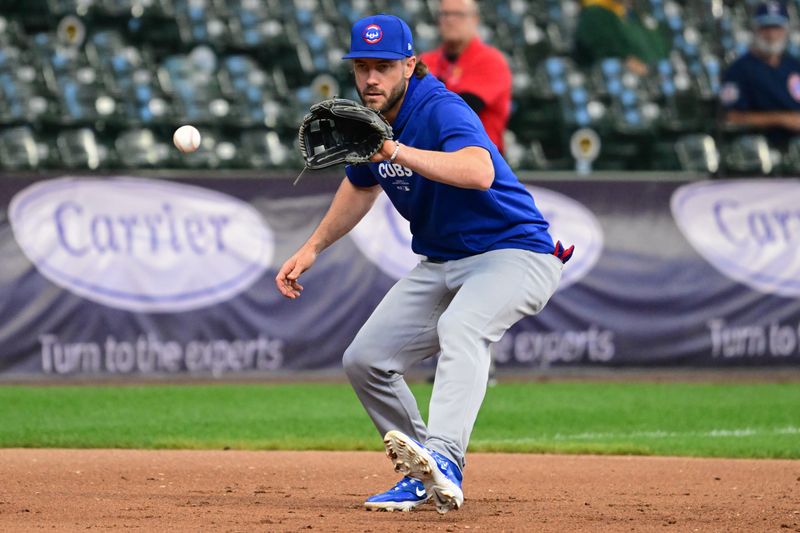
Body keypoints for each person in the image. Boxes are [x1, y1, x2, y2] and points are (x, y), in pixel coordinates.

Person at [275, 14, 571, 514]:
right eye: (362, 66)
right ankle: (423, 473)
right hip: (443, 262)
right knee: (365, 360)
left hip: (515, 252)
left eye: (385, 66)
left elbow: (478, 172)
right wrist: (313, 247)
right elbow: (361, 184)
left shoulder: (439, 109)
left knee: (462, 327)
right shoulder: (370, 122)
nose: (372, 78)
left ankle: (447, 458)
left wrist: (395, 150)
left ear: (410, 65)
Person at [419, 0, 512, 154]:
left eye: (458, 14)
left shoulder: (491, 60)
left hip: (481, 160)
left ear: (475, 19)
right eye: (445, 14)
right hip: (431, 159)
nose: (450, 20)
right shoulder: (426, 60)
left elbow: (462, 111)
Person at [720, 1, 800, 149]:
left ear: (786, 30)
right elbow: (731, 117)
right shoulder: (738, 70)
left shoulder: (794, 65)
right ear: (754, 30)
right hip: (761, 148)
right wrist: (781, 119)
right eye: (765, 28)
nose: (771, 35)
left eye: (777, 27)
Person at [573, 0, 670, 76]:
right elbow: (602, 44)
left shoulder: (635, 11)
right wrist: (628, 59)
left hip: (658, 70)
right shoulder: (594, 12)